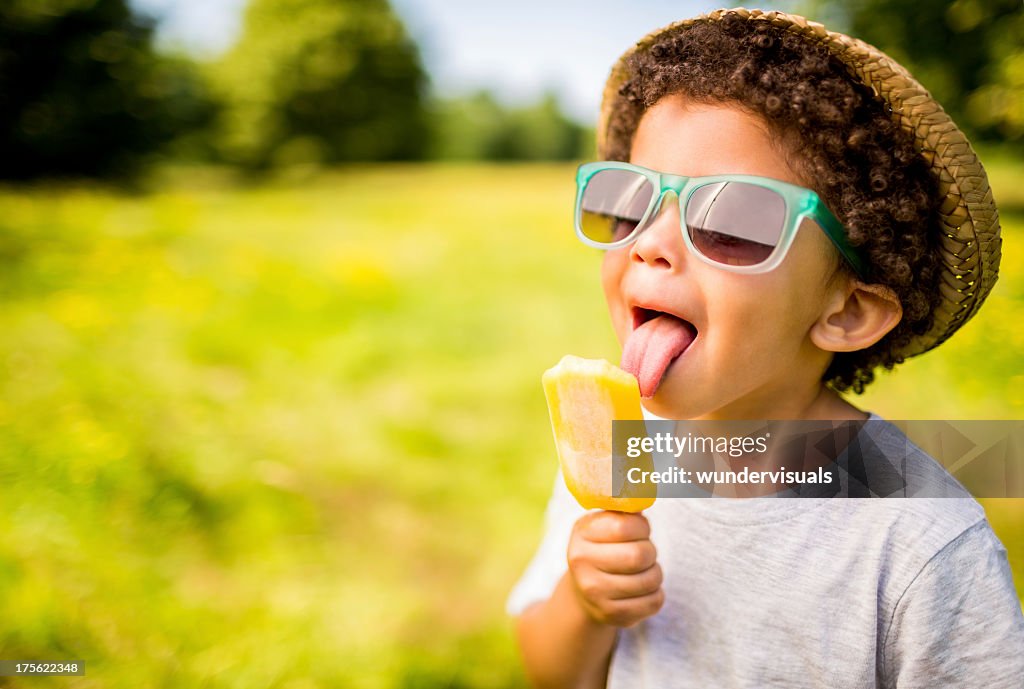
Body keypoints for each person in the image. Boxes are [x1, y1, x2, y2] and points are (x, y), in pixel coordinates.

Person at [506, 9, 1024, 688]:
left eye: (730, 220)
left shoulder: (918, 537)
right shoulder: (615, 451)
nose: (650, 243)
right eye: (631, 201)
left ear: (848, 310)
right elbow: (551, 671)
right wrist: (585, 602)